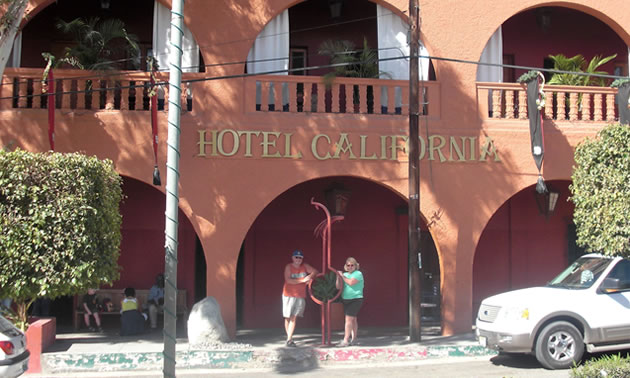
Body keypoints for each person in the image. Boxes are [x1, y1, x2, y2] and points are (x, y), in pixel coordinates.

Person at [282, 249, 317, 347]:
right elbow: (288, 280)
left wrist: (310, 277)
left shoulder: (305, 266)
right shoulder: (289, 267)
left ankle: (289, 339)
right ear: (293, 258)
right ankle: (289, 337)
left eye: (300, 257)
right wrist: (303, 280)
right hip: (288, 294)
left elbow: (315, 271)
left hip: (300, 295)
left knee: (294, 317)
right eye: (296, 257)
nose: (298, 259)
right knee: (287, 317)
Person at [335, 257, 364, 347]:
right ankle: (354, 339)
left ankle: (345, 340)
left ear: (355, 266)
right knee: (353, 320)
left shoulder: (358, 273)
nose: (350, 267)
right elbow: (338, 287)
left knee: (348, 320)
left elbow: (351, 283)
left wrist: (342, 276)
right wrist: (338, 277)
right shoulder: (345, 274)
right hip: (346, 299)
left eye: (352, 265)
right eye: (348, 265)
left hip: (356, 299)